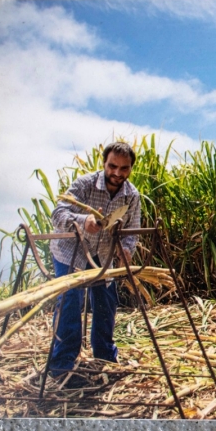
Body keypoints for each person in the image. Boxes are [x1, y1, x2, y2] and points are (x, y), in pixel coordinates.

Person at [48, 142, 141, 382]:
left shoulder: (131, 195)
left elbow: (133, 230)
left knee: (106, 303)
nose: (117, 173)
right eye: (113, 166)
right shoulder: (84, 184)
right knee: (70, 303)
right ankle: (62, 366)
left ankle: (105, 359)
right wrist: (83, 220)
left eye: (124, 168)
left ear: (131, 169)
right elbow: (57, 214)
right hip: (71, 253)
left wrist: (127, 250)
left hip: (102, 255)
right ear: (104, 163)